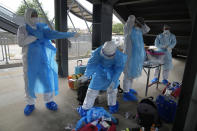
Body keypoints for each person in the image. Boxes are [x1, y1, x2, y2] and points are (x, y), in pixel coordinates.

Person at [17, 8, 78, 116]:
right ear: (27, 16)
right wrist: (34, 36)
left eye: (36, 15)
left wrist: (70, 35)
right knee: (29, 83)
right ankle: (30, 104)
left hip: (42, 60)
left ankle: (49, 101)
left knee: (47, 81)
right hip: (29, 62)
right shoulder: (22, 29)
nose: (35, 17)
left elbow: (56, 34)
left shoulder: (41, 27)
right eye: (32, 15)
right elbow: (21, 42)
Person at [77, 41, 127, 116]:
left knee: (112, 90)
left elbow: (118, 70)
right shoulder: (97, 52)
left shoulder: (120, 56)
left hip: (112, 74)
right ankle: (86, 108)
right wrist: (86, 75)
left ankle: (112, 106)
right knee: (92, 90)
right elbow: (92, 64)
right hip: (100, 72)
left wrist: (113, 81)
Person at [123, 15, 150, 101]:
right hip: (129, 56)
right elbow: (129, 21)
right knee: (127, 74)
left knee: (132, 74)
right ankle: (126, 93)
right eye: (137, 23)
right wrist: (134, 19)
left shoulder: (138, 30)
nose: (138, 25)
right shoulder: (128, 30)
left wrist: (143, 23)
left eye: (139, 24)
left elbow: (147, 30)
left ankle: (129, 89)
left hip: (136, 58)